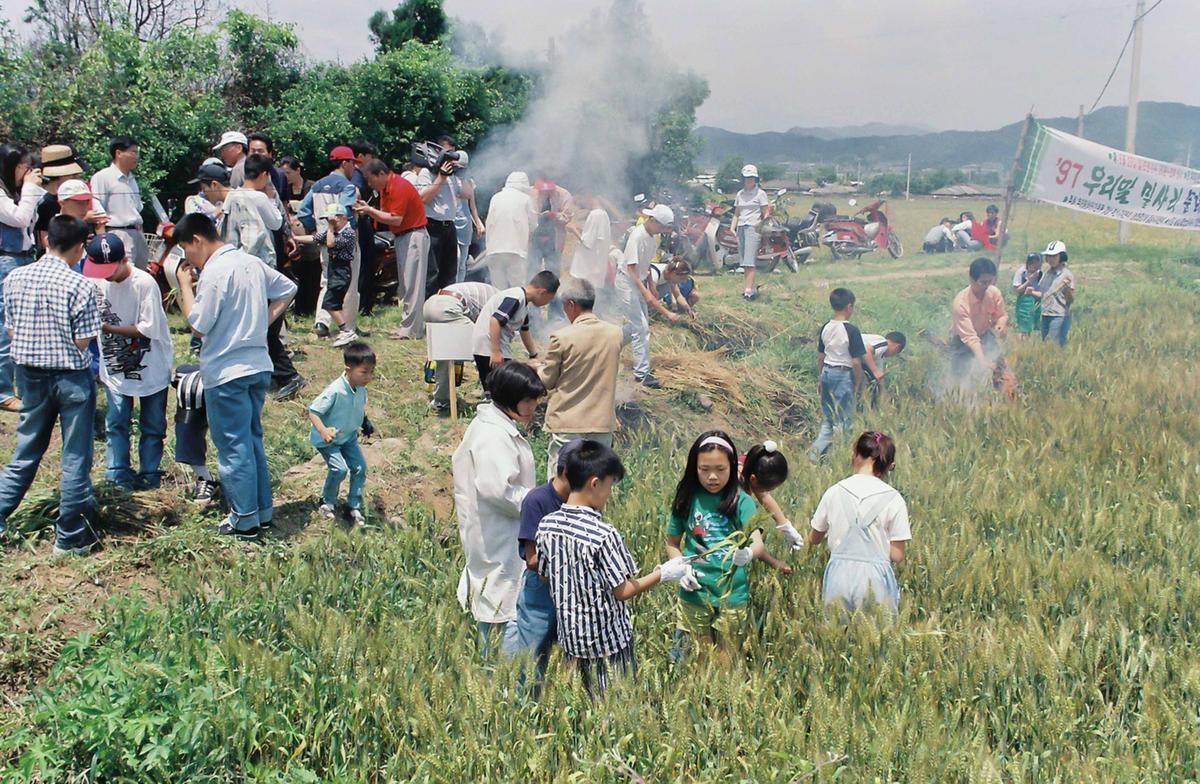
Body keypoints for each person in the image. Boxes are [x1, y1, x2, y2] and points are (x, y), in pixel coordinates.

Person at [173, 213, 298, 541]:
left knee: (232, 446)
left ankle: (244, 519)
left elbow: (198, 325)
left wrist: (185, 287)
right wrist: (264, 321)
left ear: (197, 240)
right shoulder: (250, 262)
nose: (189, 259)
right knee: (251, 439)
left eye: (187, 250)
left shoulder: (215, 271)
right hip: (258, 365)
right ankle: (262, 510)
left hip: (227, 371)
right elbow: (288, 288)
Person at [535, 441, 689, 695]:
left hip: (571, 641)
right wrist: (664, 573)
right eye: (609, 486)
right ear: (594, 483)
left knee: (581, 704)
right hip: (608, 644)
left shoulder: (547, 525)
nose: (609, 494)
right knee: (615, 703)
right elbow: (624, 590)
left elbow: (543, 575)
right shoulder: (603, 534)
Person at [0, 216, 100, 555]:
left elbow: (11, 331)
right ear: (79, 246)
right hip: (70, 377)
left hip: (28, 376)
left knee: (25, 451)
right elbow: (84, 341)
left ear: (46, 241)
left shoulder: (15, 277)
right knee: (74, 457)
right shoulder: (81, 285)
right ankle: (69, 537)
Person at [665, 431, 787, 660]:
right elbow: (672, 543)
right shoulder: (686, 498)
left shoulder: (741, 500)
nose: (712, 477)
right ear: (694, 467)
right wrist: (679, 566)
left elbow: (757, 543)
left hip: (732, 595)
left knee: (725, 660)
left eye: (720, 470)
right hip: (694, 593)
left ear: (732, 466)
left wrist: (749, 553)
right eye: (704, 469)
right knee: (698, 661)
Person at [452, 361, 544, 649]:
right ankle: (503, 678)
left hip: (502, 532)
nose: (533, 407)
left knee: (498, 596)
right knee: (501, 604)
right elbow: (499, 490)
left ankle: (499, 673)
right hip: (499, 534)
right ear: (508, 398)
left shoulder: (497, 426)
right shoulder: (492, 435)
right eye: (528, 400)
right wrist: (540, 503)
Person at [80, 233, 172, 491]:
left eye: (110, 268)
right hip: (115, 366)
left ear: (124, 259)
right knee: (116, 421)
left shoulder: (144, 283)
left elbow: (147, 328)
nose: (105, 275)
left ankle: (149, 472)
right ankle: (117, 471)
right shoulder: (97, 282)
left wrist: (108, 327)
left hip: (150, 365)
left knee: (153, 425)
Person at [499, 437, 583, 694]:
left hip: (571, 589)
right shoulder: (537, 500)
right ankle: (525, 702)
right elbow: (532, 558)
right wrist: (568, 563)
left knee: (572, 650)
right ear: (568, 473)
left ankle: (563, 702)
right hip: (542, 589)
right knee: (533, 647)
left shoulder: (580, 502)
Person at [809, 431, 911, 619]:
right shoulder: (894, 499)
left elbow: (814, 538)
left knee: (835, 641)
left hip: (838, 578)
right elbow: (897, 555)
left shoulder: (834, 492)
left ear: (855, 454)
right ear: (889, 465)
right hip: (876, 580)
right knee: (878, 641)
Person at [537, 278, 623, 478]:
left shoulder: (561, 337)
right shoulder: (615, 334)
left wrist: (538, 368)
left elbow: (547, 381)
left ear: (571, 305)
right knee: (597, 480)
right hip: (601, 422)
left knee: (560, 480)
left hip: (567, 420)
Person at [357, 159, 429, 339]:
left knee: (413, 285)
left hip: (413, 236)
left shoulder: (399, 187)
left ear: (381, 174)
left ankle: (411, 330)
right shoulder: (386, 189)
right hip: (403, 236)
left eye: (370, 179)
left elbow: (395, 219)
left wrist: (369, 211)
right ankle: (409, 326)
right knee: (406, 285)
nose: (369, 183)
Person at [307, 342, 376, 529]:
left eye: (371, 372)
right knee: (339, 470)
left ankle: (353, 505)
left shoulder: (361, 388)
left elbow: (357, 408)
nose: (368, 377)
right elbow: (313, 411)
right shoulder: (335, 390)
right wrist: (323, 431)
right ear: (348, 369)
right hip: (329, 440)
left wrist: (365, 422)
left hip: (349, 437)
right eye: (364, 372)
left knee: (360, 468)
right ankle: (327, 501)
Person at [297, 147, 361, 339]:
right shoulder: (347, 186)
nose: (354, 168)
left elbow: (303, 212)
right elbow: (346, 214)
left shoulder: (316, 186)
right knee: (347, 283)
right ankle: (347, 326)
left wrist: (315, 229)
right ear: (345, 163)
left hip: (324, 239)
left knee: (327, 280)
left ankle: (322, 322)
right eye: (352, 163)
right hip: (343, 240)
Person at [0, 144, 46, 413]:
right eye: (23, 168)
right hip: (5, 260)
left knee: (23, 323)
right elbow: (19, 218)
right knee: (6, 326)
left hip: (22, 257)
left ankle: (21, 385)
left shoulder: (16, 192)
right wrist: (30, 189)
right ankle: (3, 392)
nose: (28, 173)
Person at [617, 203, 677, 389]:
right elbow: (632, 269)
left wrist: (652, 286)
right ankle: (641, 374)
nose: (663, 230)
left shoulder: (652, 237)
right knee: (641, 327)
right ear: (652, 220)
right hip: (626, 283)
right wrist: (646, 294)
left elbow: (647, 265)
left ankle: (610, 343)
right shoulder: (637, 236)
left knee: (638, 325)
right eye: (662, 226)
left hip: (638, 281)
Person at [470, 271, 559, 390]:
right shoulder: (516, 298)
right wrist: (495, 352)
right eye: (549, 299)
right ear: (542, 292)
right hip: (488, 347)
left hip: (498, 347)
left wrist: (534, 355)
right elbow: (495, 320)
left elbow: (525, 331)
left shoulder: (524, 304)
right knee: (499, 389)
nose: (546, 304)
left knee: (501, 386)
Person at [809, 288, 868, 462]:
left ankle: (814, 456)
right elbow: (856, 362)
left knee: (828, 419)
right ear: (849, 307)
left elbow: (821, 357)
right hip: (843, 374)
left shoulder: (826, 327)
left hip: (827, 371)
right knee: (844, 420)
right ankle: (837, 458)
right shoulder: (851, 330)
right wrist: (858, 382)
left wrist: (821, 379)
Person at [422, 281, 497, 414]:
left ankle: (441, 400)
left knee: (445, 356)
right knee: (481, 348)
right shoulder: (501, 303)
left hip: (431, 305)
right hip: (448, 306)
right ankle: (491, 395)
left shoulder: (493, 295)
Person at [296, 203, 358, 347]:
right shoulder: (333, 232)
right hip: (334, 271)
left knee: (330, 303)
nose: (330, 224)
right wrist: (295, 238)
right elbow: (315, 239)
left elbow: (330, 244)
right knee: (333, 302)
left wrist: (330, 228)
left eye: (332, 221)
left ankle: (346, 330)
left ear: (342, 218)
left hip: (341, 271)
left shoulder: (348, 233)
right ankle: (345, 330)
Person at [949, 257, 1010, 393]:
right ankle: (961, 403)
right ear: (972, 280)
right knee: (961, 376)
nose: (986, 286)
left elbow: (1001, 315)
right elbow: (970, 337)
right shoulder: (960, 304)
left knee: (1000, 369)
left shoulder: (993, 293)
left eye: (990, 281)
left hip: (985, 334)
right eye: (983, 282)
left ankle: (1003, 398)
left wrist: (1001, 324)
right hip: (963, 341)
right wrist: (982, 360)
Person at [90, 136, 148, 269]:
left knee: (141, 274)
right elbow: (98, 210)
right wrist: (103, 241)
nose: (136, 156)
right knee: (125, 273)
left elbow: (137, 209)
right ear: (119, 153)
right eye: (133, 152)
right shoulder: (103, 177)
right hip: (118, 233)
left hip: (137, 232)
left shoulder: (132, 179)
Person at [740, 440, 805, 550]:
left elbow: (764, 496)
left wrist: (787, 528)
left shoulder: (754, 462)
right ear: (753, 479)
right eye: (766, 488)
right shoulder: (736, 488)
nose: (767, 492)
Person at [415, 151, 460, 295]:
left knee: (450, 271)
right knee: (432, 273)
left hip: (450, 226)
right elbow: (423, 198)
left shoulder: (452, 176)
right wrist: (441, 177)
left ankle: (445, 307)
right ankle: (428, 307)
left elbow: (464, 193)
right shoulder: (426, 173)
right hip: (433, 226)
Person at [32, 144, 88, 254]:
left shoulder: (54, 197)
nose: (76, 178)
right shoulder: (44, 201)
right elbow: (44, 238)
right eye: (72, 175)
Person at [484, 172, 536, 290]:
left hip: (494, 249)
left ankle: (498, 308)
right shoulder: (526, 199)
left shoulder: (496, 197)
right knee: (517, 288)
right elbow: (533, 224)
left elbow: (489, 221)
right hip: (516, 250)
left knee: (497, 289)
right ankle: (518, 309)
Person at [731, 164, 771, 301]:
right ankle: (748, 287)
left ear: (755, 179)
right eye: (747, 178)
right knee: (744, 261)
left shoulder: (760, 194)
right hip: (741, 227)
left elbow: (766, 213)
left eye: (751, 178)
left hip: (753, 227)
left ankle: (748, 291)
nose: (749, 181)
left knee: (749, 261)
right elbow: (737, 213)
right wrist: (732, 227)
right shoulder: (740, 194)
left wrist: (762, 226)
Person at [348, 140, 379, 316]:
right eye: (369, 156)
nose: (371, 160)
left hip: (364, 222)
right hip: (361, 223)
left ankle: (364, 305)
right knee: (364, 266)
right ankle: (362, 306)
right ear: (360, 157)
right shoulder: (357, 178)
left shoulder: (360, 176)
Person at [1033, 240, 1075, 347]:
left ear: (1061, 257)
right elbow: (1044, 294)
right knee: (1045, 343)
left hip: (1058, 316)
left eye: (1054, 256)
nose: (1050, 259)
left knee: (1054, 345)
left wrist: (1067, 289)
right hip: (1045, 313)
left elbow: (1070, 301)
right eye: (1049, 256)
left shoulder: (1066, 275)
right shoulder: (1047, 273)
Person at [452, 150, 484, 283]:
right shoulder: (447, 180)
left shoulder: (469, 182)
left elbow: (473, 206)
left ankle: (459, 286)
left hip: (465, 223)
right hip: (452, 222)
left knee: (462, 261)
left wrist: (478, 223)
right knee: (456, 258)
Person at [859, 330, 906, 405]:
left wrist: (882, 393)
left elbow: (880, 377)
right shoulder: (883, 343)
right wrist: (875, 370)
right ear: (897, 348)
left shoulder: (879, 356)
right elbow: (866, 351)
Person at [1011, 252, 1043, 339]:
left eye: (1037, 263)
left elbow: (1043, 294)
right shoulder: (1021, 272)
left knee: (1037, 326)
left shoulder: (1040, 274)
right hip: (1024, 304)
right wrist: (1028, 281)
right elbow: (1017, 290)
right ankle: (1022, 344)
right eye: (1032, 262)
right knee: (1024, 327)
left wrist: (1032, 293)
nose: (1034, 265)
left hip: (1037, 302)